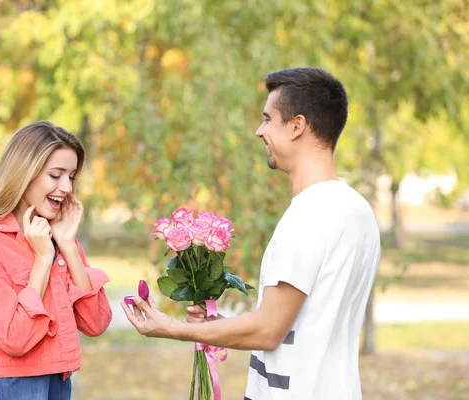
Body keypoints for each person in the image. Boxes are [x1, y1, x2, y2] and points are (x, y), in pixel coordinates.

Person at [121, 67, 381, 399]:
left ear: (297, 126)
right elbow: (301, 323)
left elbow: (269, 330)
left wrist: (173, 328)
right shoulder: (356, 209)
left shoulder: (307, 217)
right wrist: (216, 325)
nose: (260, 131)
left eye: (268, 119)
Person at [0, 121, 112, 400]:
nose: (67, 187)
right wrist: (43, 259)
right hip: (10, 388)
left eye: (71, 176)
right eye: (56, 175)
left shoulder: (61, 235)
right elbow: (14, 339)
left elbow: (95, 323)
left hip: (58, 385)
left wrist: (67, 246)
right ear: (24, 174)